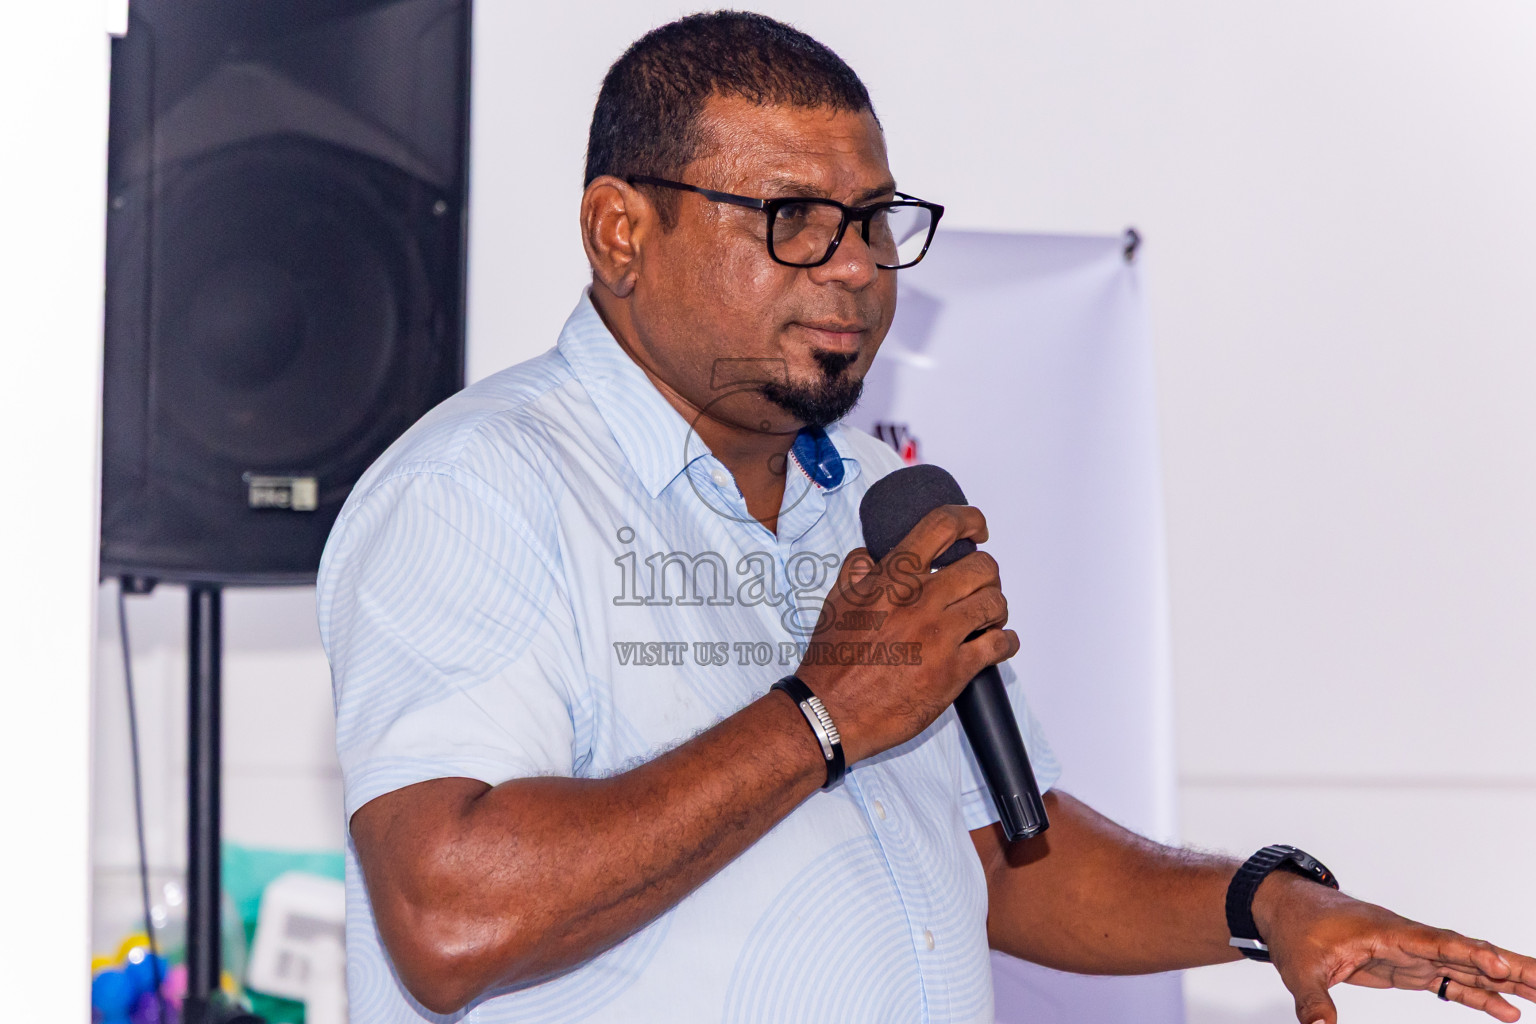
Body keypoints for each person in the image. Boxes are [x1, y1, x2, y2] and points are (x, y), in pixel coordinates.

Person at [316, 11, 1535, 1024]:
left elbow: (1002, 853)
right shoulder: (479, 488)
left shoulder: (862, 497)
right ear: (622, 231)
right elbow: (450, 912)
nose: (854, 267)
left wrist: (1264, 903)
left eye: (875, 223)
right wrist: (822, 715)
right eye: (793, 219)